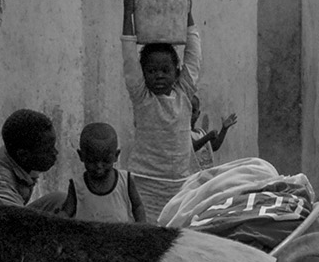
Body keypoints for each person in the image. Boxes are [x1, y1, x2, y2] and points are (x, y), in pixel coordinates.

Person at [123, 17, 205, 222]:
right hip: (144, 183)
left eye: (165, 70)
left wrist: (188, 17)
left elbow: (193, 57)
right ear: (143, 75)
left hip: (181, 182)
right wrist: (128, 15)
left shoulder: (184, 94)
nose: (159, 75)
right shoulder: (142, 97)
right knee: (147, 237)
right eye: (151, 71)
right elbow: (129, 59)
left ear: (177, 72)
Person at [54, 122, 145, 223]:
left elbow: (137, 207)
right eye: (92, 161)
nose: (99, 166)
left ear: (116, 156)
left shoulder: (125, 181)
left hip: (121, 238)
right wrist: (57, 219)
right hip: (88, 238)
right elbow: (67, 212)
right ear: (81, 156)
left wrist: (143, 228)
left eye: (106, 161)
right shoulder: (78, 186)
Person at [190, 102, 239, 170]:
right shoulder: (183, 134)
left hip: (206, 174)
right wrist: (208, 137)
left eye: (193, 111)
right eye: (188, 111)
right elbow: (192, 147)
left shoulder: (201, 132)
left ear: (198, 114)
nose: (190, 114)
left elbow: (214, 147)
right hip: (193, 175)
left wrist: (224, 129)